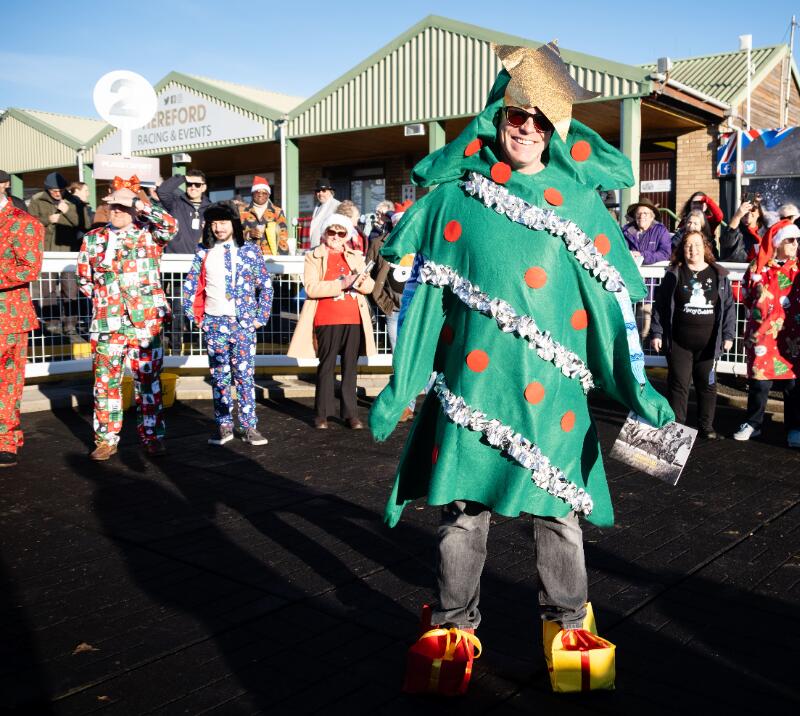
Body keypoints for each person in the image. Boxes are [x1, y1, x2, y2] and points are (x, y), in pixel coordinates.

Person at [369, 41, 674, 691]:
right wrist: (402, 383)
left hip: (552, 396)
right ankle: (454, 624)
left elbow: (610, 301)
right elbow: (425, 302)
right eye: (516, 115)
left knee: (559, 514)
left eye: (540, 120)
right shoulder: (457, 199)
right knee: (463, 516)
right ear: (496, 117)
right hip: (473, 392)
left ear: (558, 129)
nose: (527, 128)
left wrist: (638, 387)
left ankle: (567, 620)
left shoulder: (579, 202)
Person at [77, 176, 177, 461]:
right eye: (113, 206)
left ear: (135, 208)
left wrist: (136, 201)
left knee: (149, 382)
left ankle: (152, 436)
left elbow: (171, 225)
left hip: (145, 322)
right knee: (104, 383)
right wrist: (104, 301)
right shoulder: (93, 239)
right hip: (107, 322)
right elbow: (84, 278)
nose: (116, 211)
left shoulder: (150, 233)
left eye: (122, 206)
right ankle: (106, 440)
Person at [182, 202, 274, 446]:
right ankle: (224, 425)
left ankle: (248, 426)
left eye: (223, 222)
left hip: (243, 324)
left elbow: (265, 286)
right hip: (214, 322)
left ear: (233, 223)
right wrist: (197, 318)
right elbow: (190, 285)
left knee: (244, 376)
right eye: (214, 223)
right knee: (219, 376)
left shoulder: (250, 251)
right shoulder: (203, 251)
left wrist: (259, 319)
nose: (218, 227)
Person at [287, 213, 375, 429]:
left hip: (354, 318)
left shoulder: (356, 256)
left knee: (350, 367)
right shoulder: (313, 256)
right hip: (326, 318)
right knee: (326, 366)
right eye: (331, 231)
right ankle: (322, 414)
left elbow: (370, 287)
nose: (336, 236)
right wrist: (343, 283)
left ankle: (350, 414)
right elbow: (311, 287)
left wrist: (361, 281)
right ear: (325, 233)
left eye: (341, 232)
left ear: (347, 236)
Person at [650, 231, 735, 439]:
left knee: (707, 384)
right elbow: (660, 306)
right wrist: (657, 332)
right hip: (679, 342)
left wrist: (728, 335)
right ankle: (677, 427)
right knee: (678, 385)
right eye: (688, 245)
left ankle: (706, 427)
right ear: (682, 249)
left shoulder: (719, 275)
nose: (692, 250)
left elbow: (729, 308)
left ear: (705, 247)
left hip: (708, 345)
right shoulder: (674, 273)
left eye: (697, 245)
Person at [733, 221, 800, 447]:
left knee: (793, 385)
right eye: (790, 240)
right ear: (778, 242)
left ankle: (794, 428)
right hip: (762, 335)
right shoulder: (758, 267)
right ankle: (754, 423)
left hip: (791, 337)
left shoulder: (798, 267)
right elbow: (745, 295)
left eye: (797, 240)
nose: (795, 244)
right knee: (760, 384)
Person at [0, 190, 44, 467]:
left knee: (6, 383)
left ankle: (5, 441)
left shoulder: (22, 221)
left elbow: (29, 267)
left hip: (8, 317)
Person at [367, 201, 416, 422]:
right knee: (399, 358)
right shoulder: (379, 244)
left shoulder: (420, 243)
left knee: (423, 356)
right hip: (393, 309)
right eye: (397, 221)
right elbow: (368, 274)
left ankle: (428, 403)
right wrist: (383, 303)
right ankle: (404, 404)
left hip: (417, 310)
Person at [155, 169, 210, 254]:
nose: (193, 187)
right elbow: (162, 191)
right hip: (176, 256)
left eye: (197, 185)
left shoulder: (211, 209)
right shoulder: (175, 203)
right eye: (189, 184)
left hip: (201, 256)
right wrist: (183, 178)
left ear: (204, 187)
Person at [239, 176, 290, 256]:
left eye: (264, 193)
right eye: (257, 192)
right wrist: (248, 234)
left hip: (272, 256)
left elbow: (283, 235)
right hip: (249, 256)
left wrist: (279, 257)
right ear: (252, 194)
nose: (260, 195)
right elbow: (234, 234)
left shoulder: (277, 212)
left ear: (268, 195)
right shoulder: (242, 212)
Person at [622, 198, 672, 265]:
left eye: (645, 213)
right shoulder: (626, 231)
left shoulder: (661, 231)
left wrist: (642, 255)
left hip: (653, 273)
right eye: (638, 213)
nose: (641, 216)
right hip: (631, 270)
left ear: (652, 217)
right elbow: (621, 251)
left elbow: (665, 254)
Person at [720, 198, 765, 263]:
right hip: (737, 270)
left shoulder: (764, 232)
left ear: (759, 213)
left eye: (753, 209)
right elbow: (726, 243)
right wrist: (737, 216)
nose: (749, 212)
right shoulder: (736, 228)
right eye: (745, 209)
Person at [308, 178, 340, 248]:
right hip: (315, 248)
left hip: (328, 248)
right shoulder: (318, 206)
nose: (320, 193)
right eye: (318, 191)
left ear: (330, 191)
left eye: (323, 190)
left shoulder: (337, 206)